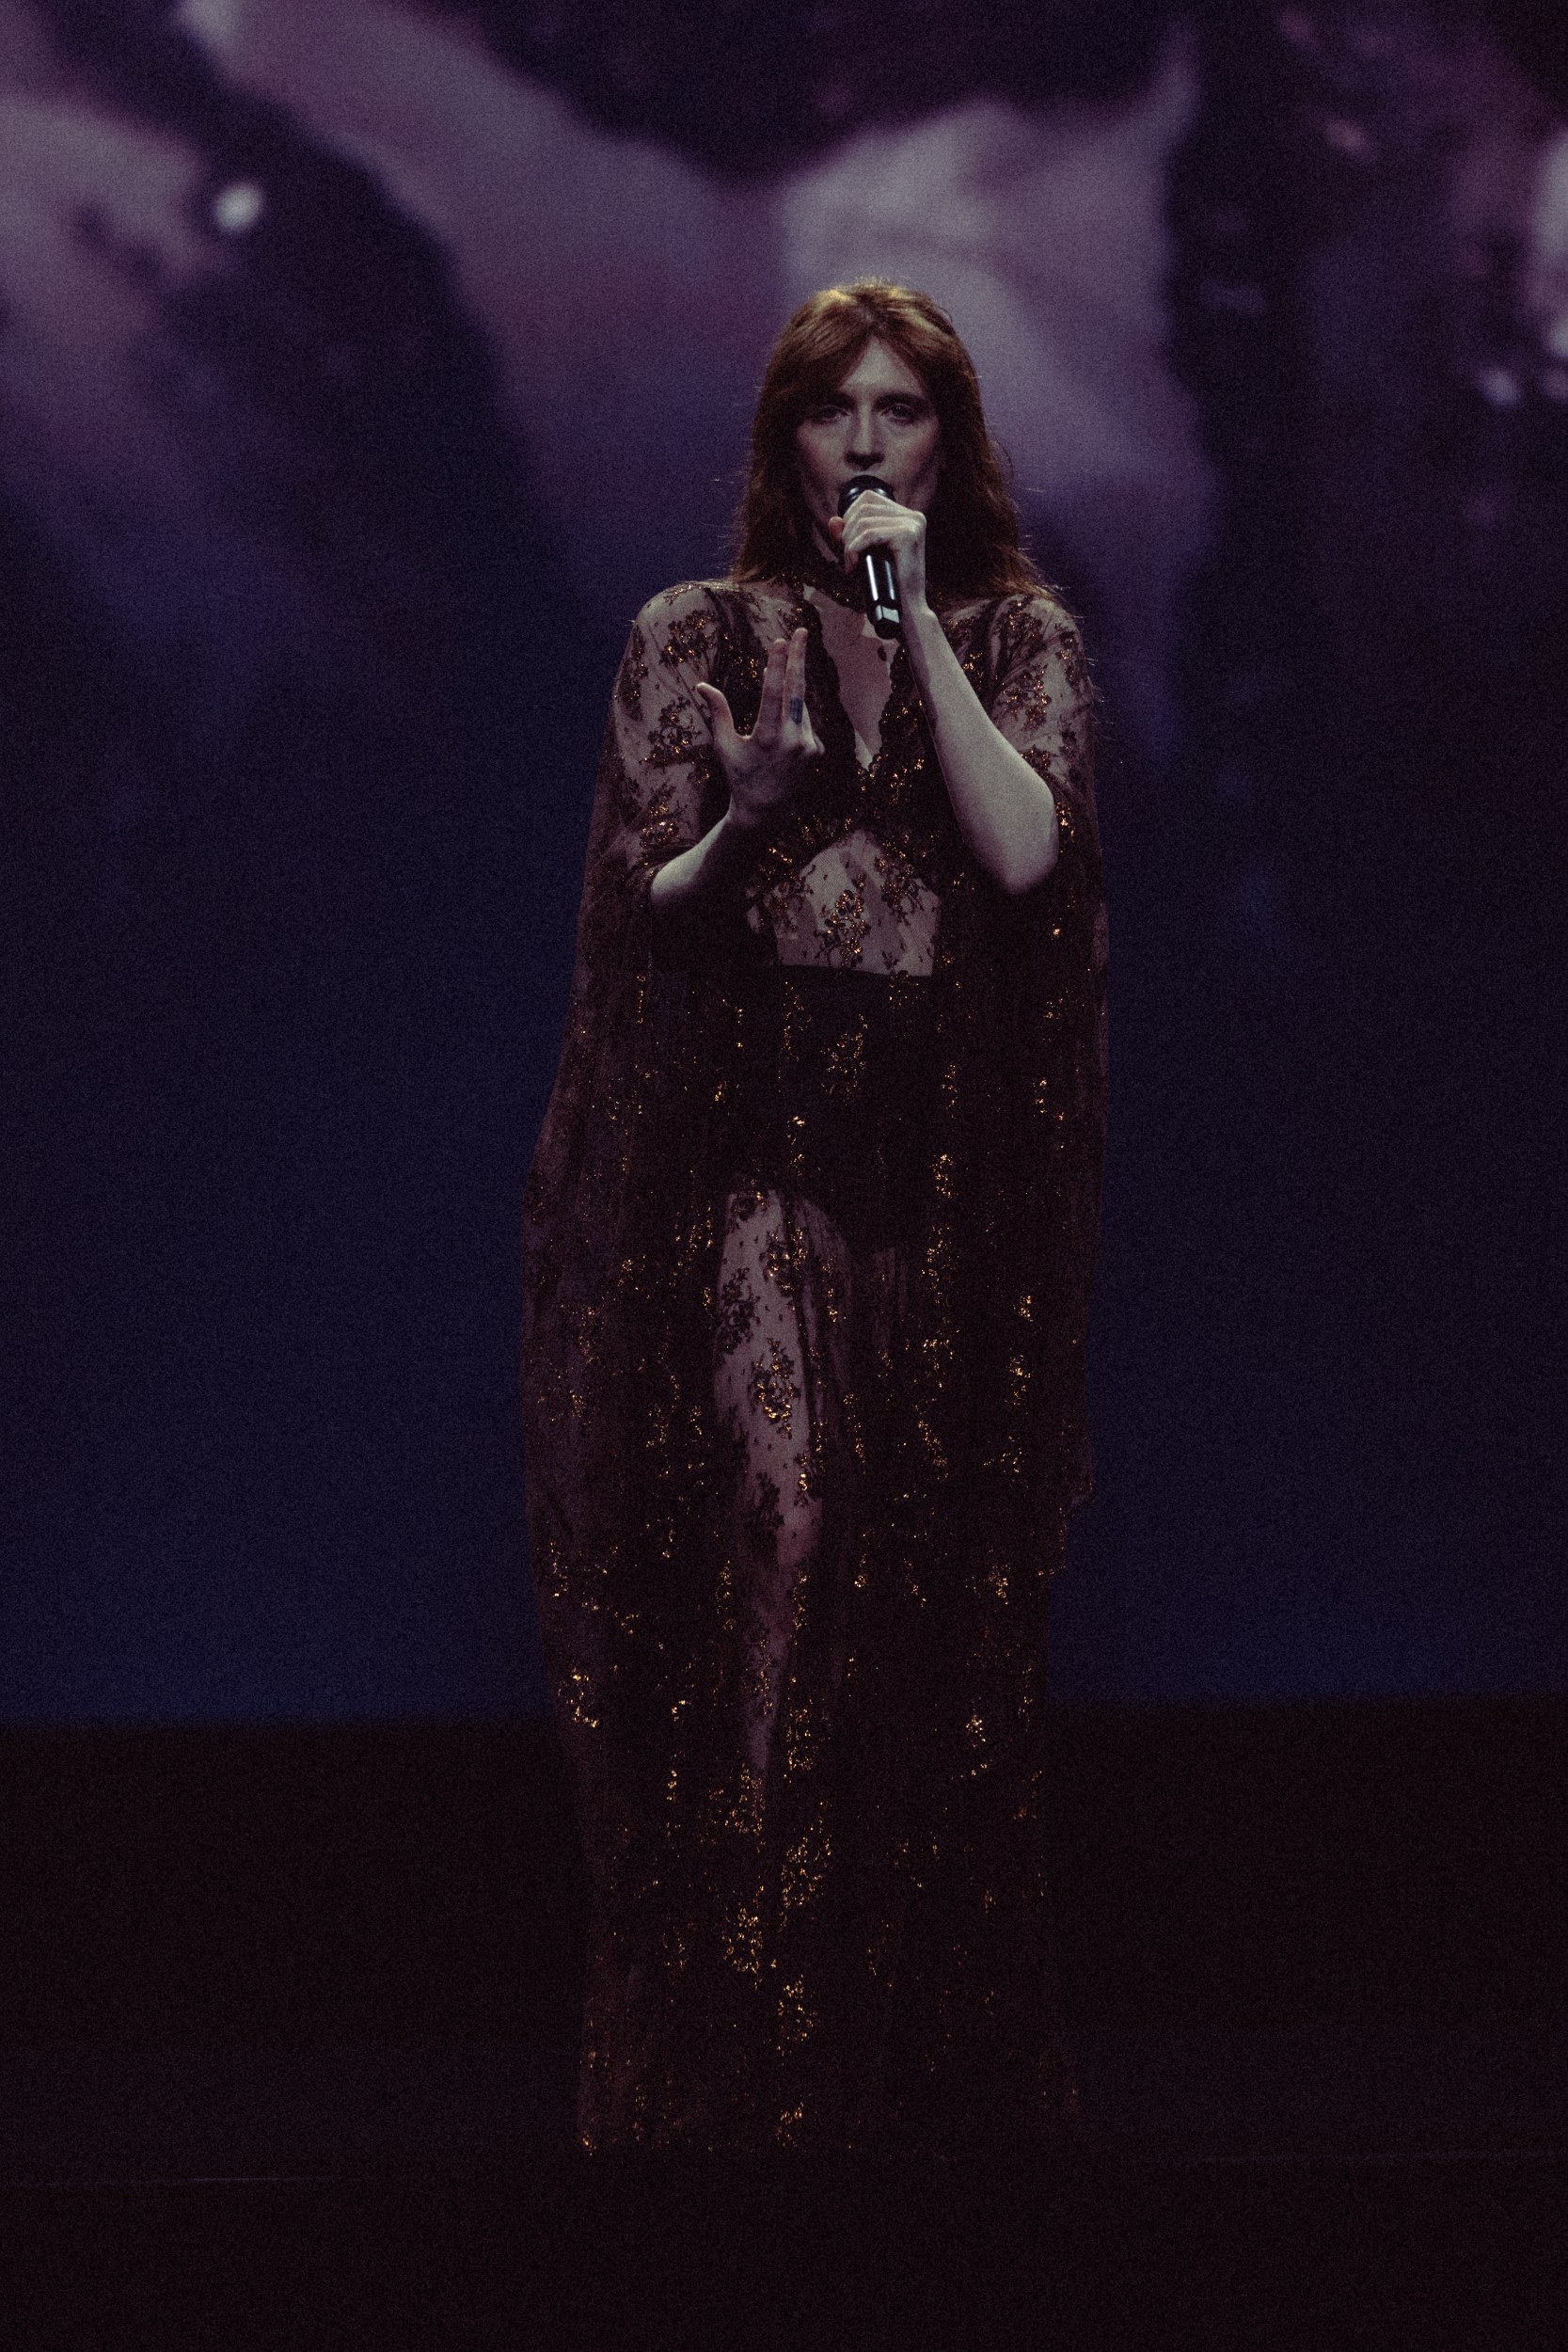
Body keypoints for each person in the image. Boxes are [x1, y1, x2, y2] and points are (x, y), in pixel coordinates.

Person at [521, 280, 1109, 2152]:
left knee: (921, 1625)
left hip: (938, 1204)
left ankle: (892, 2078)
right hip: (757, 1183)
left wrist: (915, 628)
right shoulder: (694, 637)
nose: (866, 441)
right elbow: (649, 901)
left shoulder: (1013, 638)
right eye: (832, 409)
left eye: (903, 409)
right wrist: (751, 811)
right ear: (782, 438)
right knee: (788, 1537)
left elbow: (1024, 854)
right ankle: (748, 2078)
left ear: (951, 439)